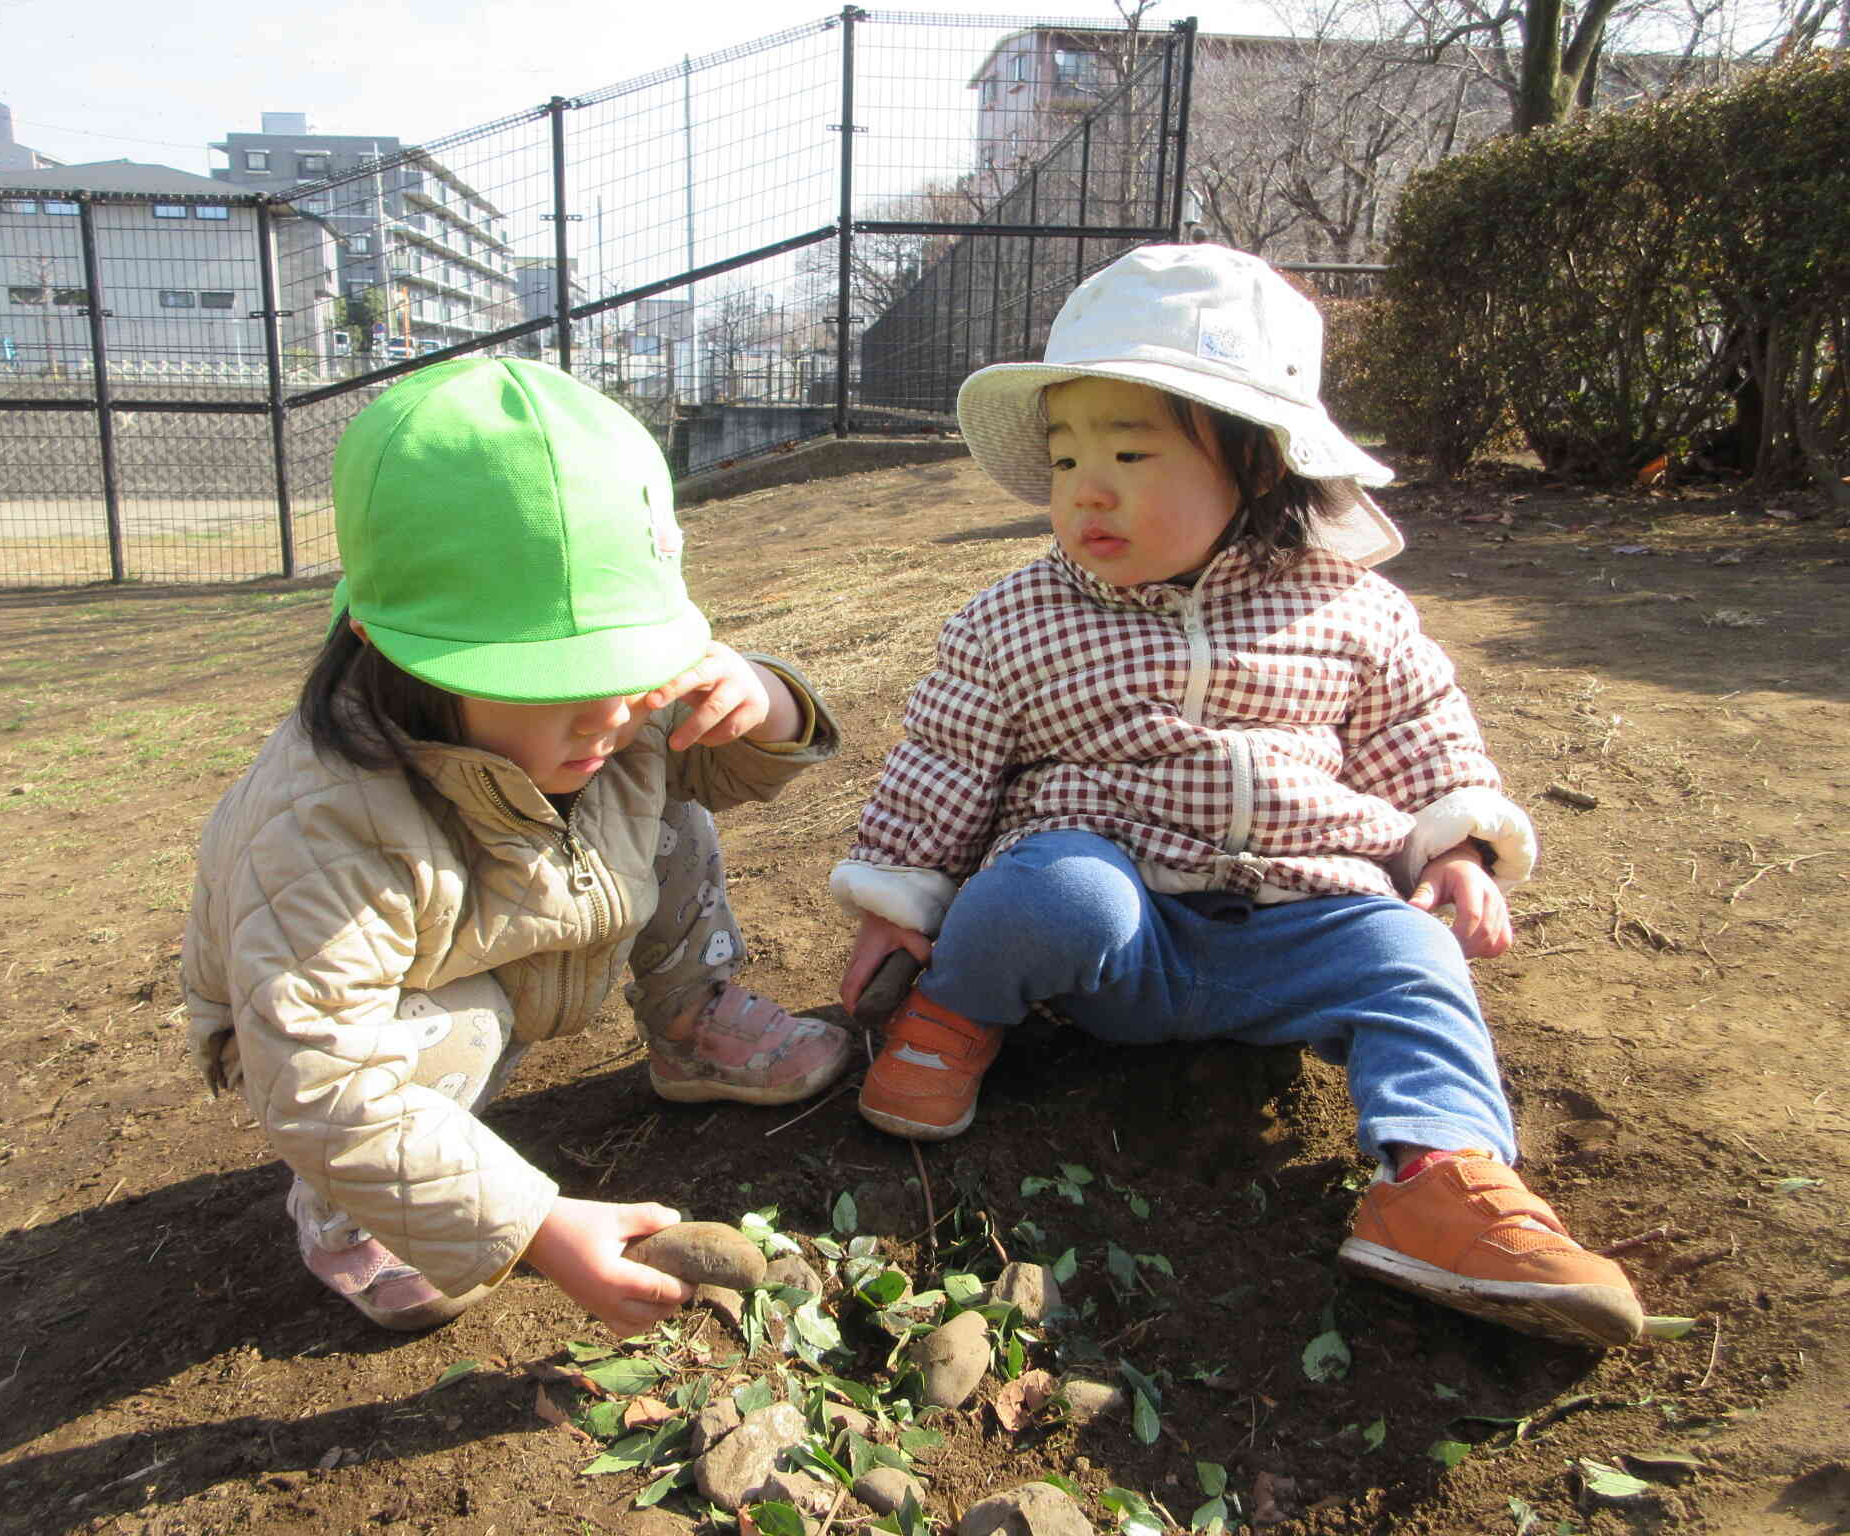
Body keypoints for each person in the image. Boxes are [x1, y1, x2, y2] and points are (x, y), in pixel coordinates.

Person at [832, 245, 1644, 1348]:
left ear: (1257, 466)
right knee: (1051, 889)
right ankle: (953, 1016)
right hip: (1119, 938)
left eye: (1130, 452)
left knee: (1414, 960)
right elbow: (943, 760)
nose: (1086, 489)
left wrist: (1457, 846)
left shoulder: (1349, 608)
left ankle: (1438, 1175)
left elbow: (1417, 727)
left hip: (1302, 927)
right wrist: (897, 901)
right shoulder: (1011, 619)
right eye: (1065, 458)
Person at [183, 357, 850, 1335]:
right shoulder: (323, 821)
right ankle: (354, 1213)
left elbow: (726, 766)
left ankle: (691, 1023)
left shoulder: (615, 713)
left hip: (508, 929)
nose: (613, 713)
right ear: (398, 650)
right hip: (353, 1024)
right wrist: (532, 1226)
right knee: (460, 1031)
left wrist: (766, 697)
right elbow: (318, 1074)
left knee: (672, 814)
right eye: (556, 678)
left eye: (632, 661)